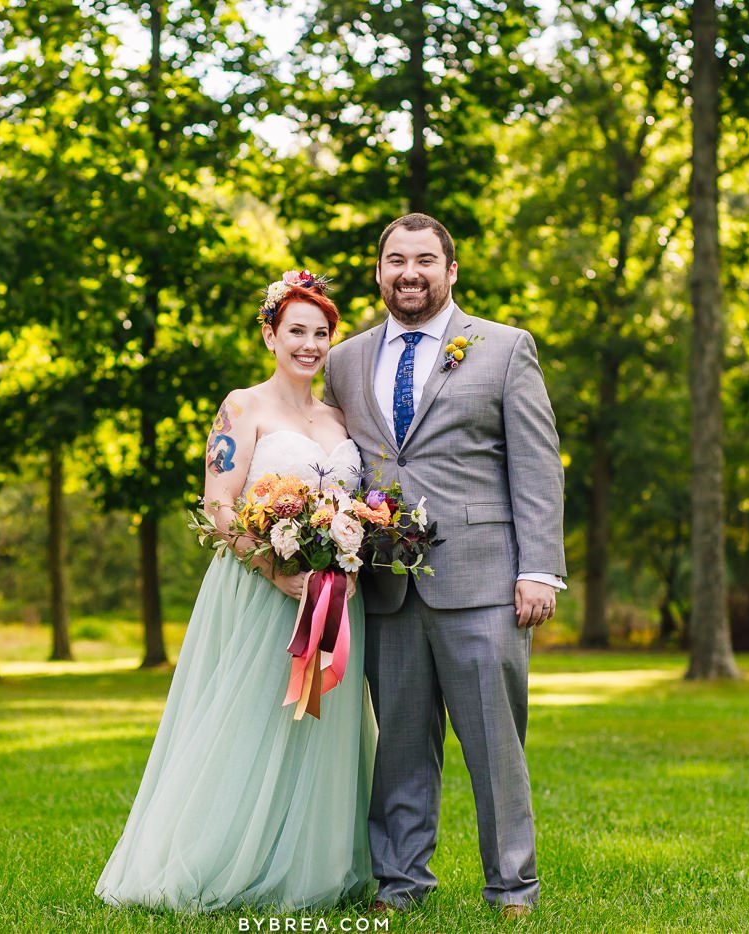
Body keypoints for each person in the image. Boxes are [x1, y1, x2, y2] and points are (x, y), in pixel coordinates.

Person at [95, 274, 376, 912]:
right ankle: (220, 858)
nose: (310, 344)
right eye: (296, 331)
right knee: (248, 722)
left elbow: (353, 501)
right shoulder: (242, 406)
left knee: (319, 732)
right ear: (270, 335)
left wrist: (349, 552)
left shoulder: (338, 416)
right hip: (259, 593)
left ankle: (311, 865)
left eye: (321, 333)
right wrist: (277, 571)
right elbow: (219, 505)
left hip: (332, 597)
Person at [322, 214, 567, 917]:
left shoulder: (505, 348)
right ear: (378, 273)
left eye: (425, 259)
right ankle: (400, 885)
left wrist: (539, 569)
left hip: (487, 581)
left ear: (451, 270)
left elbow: (537, 465)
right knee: (398, 746)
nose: (410, 272)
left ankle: (512, 889)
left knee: (495, 749)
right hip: (385, 587)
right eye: (395, 259)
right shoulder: (346, 360)